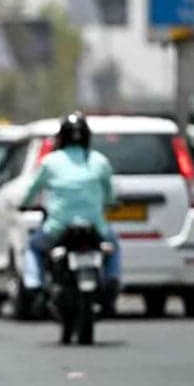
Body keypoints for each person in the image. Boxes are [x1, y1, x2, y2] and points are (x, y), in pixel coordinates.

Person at [21, 112, 121, 314]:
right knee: (114, 246)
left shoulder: (50, 162)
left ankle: (34, 284)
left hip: (58, 227)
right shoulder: (100, 161)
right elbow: (110, 195)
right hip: (95, 227)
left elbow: (33, 189)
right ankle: (112, 280)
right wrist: (111, 203)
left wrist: (24, 205)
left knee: (33, 247)